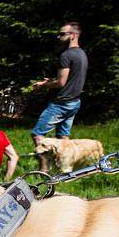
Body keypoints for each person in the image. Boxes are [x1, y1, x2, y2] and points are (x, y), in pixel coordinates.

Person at [31, 22, 88, 172]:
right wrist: (50, 81)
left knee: (37, 134)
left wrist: (43, 85)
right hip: (75, 102)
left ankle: (43, 171)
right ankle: (65, 169)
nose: (59, 36)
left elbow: (62, 82)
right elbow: (71, 79)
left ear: (73, 35)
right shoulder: (82, 54)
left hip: (61, 103)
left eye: (63, 34)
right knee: (63, 138)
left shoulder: (66, 55)